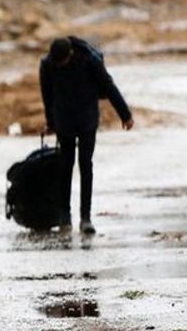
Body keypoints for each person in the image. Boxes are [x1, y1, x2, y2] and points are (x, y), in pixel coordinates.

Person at [39, 37, 133, 235]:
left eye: (62, 62)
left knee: (85, 165)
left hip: (87, 119)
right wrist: (50, 122)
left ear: (70, 55)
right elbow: (47, 96)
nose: (59, 66)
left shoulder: (89, 60)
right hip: (64, 120)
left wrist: (125, 115)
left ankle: (85, 218)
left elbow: (108, 85)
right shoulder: (48, 65)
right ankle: (65, 217)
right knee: (65, 166)